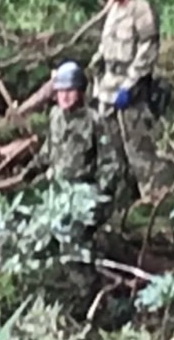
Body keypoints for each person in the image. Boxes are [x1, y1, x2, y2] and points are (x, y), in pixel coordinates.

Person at [92, 0, 162, 198]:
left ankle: (153, 202)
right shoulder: (113, 9)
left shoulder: (140, 9)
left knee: (140, 152)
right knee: (113, 152)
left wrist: (130, 84)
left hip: (129, 89)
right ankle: (125, 201)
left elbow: (148, 48)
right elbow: (106, 46)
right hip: (108, 87)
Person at [27, 60, 119, 224]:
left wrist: (97, 194)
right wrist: (29, 171)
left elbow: (110, 163)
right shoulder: (55, 116)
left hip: (83, 194)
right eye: (60, 91)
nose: (65, 96)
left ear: (80, 92)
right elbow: (48, 150)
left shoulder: (95, 121)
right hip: (56, 191)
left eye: (70, 90)